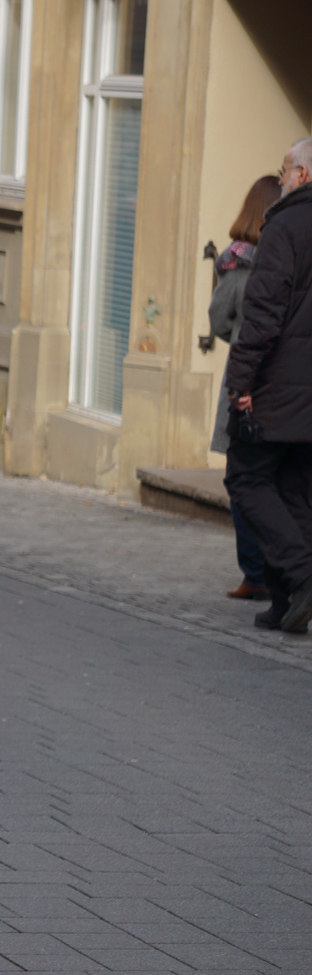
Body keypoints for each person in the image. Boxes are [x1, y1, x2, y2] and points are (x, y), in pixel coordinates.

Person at [223, 137, 312, 633]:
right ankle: (286, 604)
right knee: (295, 491)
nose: (279, 181)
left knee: (247, 478)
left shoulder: (284, 225)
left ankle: (302, 577)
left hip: (278, 385)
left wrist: (240, 384)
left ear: (302, 174)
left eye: (284, 171)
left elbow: (261, 317)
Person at [209, 175, 281, 603]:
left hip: (245, 387)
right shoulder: (290, 258)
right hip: (285, 387)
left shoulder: (237, 265)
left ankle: (255, 572)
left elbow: (218, 322)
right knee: (278, 481)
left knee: (241, 478)